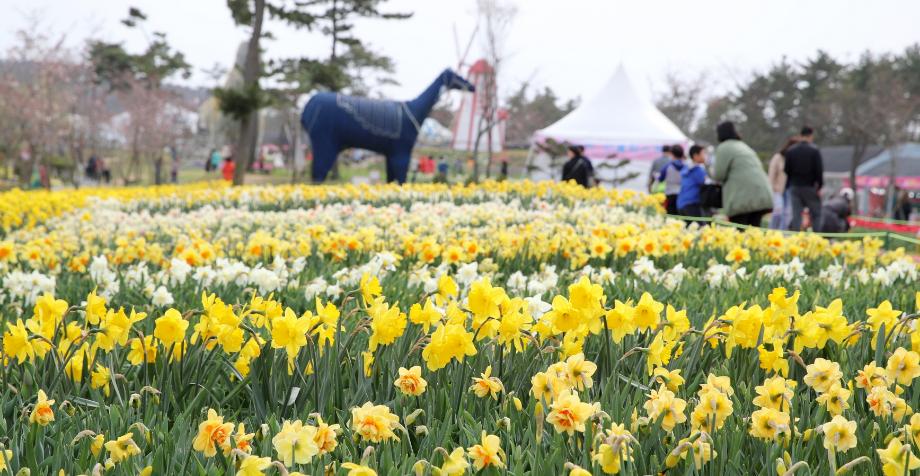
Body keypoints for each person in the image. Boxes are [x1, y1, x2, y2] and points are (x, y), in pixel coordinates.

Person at [712, 121, 774, 226]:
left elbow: (719, 175)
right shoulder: (743, 146)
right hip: (761, 193)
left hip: (740, 198)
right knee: (754, 231)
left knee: (739, 230)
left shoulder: (724, 147)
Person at [784, 126, 824, 231]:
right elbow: (819, 171)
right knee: (816, 214)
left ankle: (795, 237)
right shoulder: (814, 150)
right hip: (810, 187)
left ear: (800, 135)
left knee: (796, 215)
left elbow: (786, 170)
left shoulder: (791, 151)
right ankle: (816, 236)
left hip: (795, 186)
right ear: (811, 135)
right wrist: (819, 186)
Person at [767, 137, 798, 229]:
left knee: (787, 214)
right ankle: (771, 231)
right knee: (778, 212)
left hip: (789, 190)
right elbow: (771, 174)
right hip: (777, 190)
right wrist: (772, 188)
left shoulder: (795, 160)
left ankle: (783, 234)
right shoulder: (778, 157)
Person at [676, 145, 709, 220]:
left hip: (681, 203)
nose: (705, 156)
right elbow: (706, 183)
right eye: (703, 153)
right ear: (695, 156)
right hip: (692, 203)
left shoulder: (686, 168)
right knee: (699, 226)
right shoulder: (697, 170)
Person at [658, 144, 686, 214]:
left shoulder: (668, 166)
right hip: (682, 196)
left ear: (672, 154)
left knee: (670, 215)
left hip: (669, 195)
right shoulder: (686, 167)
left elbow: (660, 179)